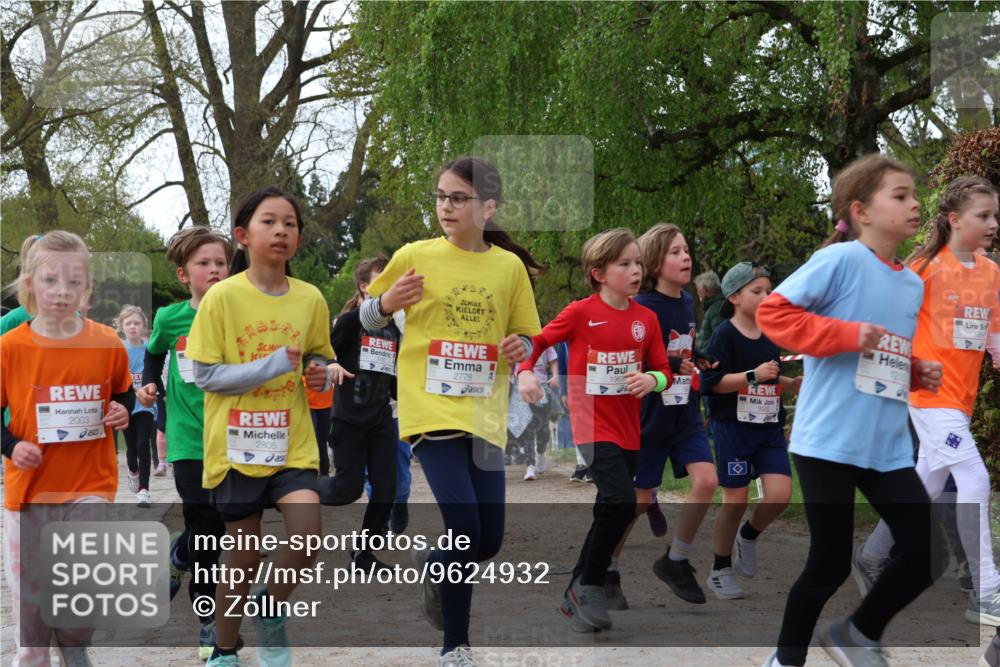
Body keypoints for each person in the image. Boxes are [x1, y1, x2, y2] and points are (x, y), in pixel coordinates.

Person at [756, 154, 946, 667]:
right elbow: (773, 312)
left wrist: (913, 371)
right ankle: (785, 660)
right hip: (829, 440)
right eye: (900, 196)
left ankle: (857, 634)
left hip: (885, 445)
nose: (915, 204)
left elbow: (881, 351)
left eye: (914, 194)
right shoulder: (839, 260)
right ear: (861, 210)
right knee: (829, 562)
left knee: (929, 555)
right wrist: (844, 334)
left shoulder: (911, 282)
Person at [362, 157, 541, 667]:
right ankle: (455, 647)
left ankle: (435, 564)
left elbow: (527, 333)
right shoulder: (415, 255)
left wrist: (517, 349)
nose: (446, 206)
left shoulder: (507, 268)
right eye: (441, 196)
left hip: (485, 413)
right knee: (465, 529)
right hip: (432, 409)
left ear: (488, 207)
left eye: (458, 198)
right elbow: (367, 319)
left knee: (488, 541)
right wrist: (389, 299)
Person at [188, 187, 347, 667]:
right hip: (235, 447)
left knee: (306, 537)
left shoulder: (310, 298)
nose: (281, 230)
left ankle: (270, 611)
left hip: (291, 441)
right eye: (269, 222)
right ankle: (223, 649)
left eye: (290, 224)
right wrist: (272, 365)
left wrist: (318, 370)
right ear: (243, 235)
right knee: (245, 556)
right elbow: (206, 375)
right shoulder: (222, 297)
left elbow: (319, 354)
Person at [855, 176, 1000, 627]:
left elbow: (994, 335)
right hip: (927, 394)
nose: (994, 223)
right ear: (955, 220)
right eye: (984, 216)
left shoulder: (993, 273)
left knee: (928, 483)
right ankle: (987, 591)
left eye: (996, 215)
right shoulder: (924, 267)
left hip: (960, 398)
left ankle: (871, 555)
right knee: (975, 480)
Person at [518, 227, 672, 633]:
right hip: (590, 422)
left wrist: (651, 381)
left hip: (628, 427)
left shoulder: (647, 319)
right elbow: (536, 343)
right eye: (625, 264)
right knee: (621, 502)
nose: (636, 270)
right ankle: (589, 583)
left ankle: (576, 589)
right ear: (598, 272)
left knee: (611, 507)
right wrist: (525, 374)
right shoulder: (581, 312)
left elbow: (664, 370)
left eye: (638, 262)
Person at [1, 230, 133, 666]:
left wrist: (121, 410)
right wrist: (11, 445)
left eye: (73, 282)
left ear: (88, 289)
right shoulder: (9, 347)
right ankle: (36, 655)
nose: (62, 292)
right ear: (30, 286)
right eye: (50, 281)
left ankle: (74, 642)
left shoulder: (106, 342)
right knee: (33, 603)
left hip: (89, 484)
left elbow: (124, 392)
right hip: (30, 492)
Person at [136, 225, 234, 660]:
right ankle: (208, 623)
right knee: (207, 525)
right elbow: (155, 352)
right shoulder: (169, 318)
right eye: (204, 264)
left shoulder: (239, 312)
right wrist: (152, 382)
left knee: (220, 524)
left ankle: (178, 554)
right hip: (187, 435)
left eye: (221, 263)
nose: (214, 270)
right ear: (183, 274)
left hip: (232, 435)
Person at [613, 223, 718, 608]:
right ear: (655, 261)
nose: (685, 256)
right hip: (649, 416)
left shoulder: (688, 302)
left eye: (686, 249)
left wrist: (698, 358)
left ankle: (676, 560)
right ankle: (607, 566)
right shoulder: (642, 308)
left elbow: (684, 348)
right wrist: (673, 362)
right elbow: (635, 359)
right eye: (675, 252)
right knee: (637, 500)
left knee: (707, 481)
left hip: (684, 413)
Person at [701, 261, 799, 600]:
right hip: (733, 428)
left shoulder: (771, 335)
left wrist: (793, 384)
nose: (766, 296)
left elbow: (770, 377)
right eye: (757, 291)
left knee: (780, 494)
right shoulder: (723, 335)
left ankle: (749, 535)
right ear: (735, 297)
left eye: (768, 290)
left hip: (768, 426)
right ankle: (720, 568)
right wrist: (752, 375)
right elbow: (711, 384)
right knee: (735, 501)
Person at [318, 255, 400, 573]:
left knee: (387, 489)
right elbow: (322, 352)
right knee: (346, 490)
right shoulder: (351, 322)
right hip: (349, 419)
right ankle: (293, 485)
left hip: (380, 418)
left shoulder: (395, 327)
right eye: (382, 278)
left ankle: (363, 554)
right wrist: (330, 364)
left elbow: (392, 379)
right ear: (364, 287)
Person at [115, 305, 159, 506]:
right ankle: (132, 470)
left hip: (146, 406)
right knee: (131, 447)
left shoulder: (150, 348)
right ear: (122, 326)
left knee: (143, 444)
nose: (133, 327)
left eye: (137, 323)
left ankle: (144, 490)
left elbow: (159, 372)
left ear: (144, 326)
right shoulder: (119, 349)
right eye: (128, 323)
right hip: (127, 405)